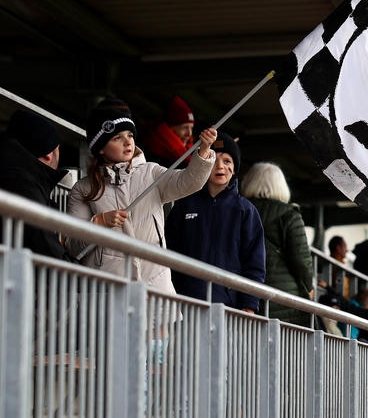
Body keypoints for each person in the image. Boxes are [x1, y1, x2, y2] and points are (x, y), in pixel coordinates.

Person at [64, 107, 215, 292]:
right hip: (106, 291)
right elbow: (72, 244)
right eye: (117, 138)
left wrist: (204, 152)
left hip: (156, 289)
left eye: (129, 135)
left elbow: (188, 182)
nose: (128, 142)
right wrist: (99, 222)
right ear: (100, 148)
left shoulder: (151, 172)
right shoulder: (83, 189)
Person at [166, 132, 266, 313]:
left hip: (229, 309)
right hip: (184, 305)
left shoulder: (246, 210)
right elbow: (169, 251)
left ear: (234, 168)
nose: (220, 166)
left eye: (227, 161)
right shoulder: (184, 204)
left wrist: (249, 305)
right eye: (213, 159)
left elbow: (254, 263)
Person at [239, 162, 314, 326]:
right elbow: (300, 259)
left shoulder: (238, 211)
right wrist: (309, 285)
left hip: (245, 291)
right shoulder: (289, 215)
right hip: (284, 297)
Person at [0, 110, 69, 259]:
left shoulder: (14, 176)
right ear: (48, 153)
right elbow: (45, 247)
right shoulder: (21, 184)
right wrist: (78, 278)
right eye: (58, 148)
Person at [140, 96, 197, 168]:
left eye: (191, 128)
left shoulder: (192, 152)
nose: (189, 134)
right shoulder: (150, 153)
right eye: (184, 128)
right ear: (169, 128)